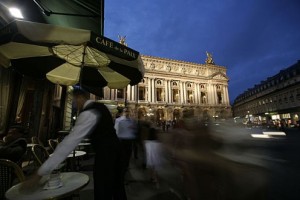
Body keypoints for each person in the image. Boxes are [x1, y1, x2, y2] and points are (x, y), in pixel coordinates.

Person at [21, 88, 126, 200]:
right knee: (117, 188)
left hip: (106, 155)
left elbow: (68, 144)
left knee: (102, 190)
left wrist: (40, 173)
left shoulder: (88, 113)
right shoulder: (100, 107)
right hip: (116, 152)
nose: (75, 104)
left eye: (74, 101)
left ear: (80, 97)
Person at [114, 108, 137, 178]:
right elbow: (116, 131)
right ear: (122, 112)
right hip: (121, 141)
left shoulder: (131, 121)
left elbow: (134, 130)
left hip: (129, 142)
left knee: (127, 159)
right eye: (125, 111)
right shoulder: (118, 120)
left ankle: (124, 172)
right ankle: (121, 174)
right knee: (122, 159)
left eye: (127, 111)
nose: (126, 113)